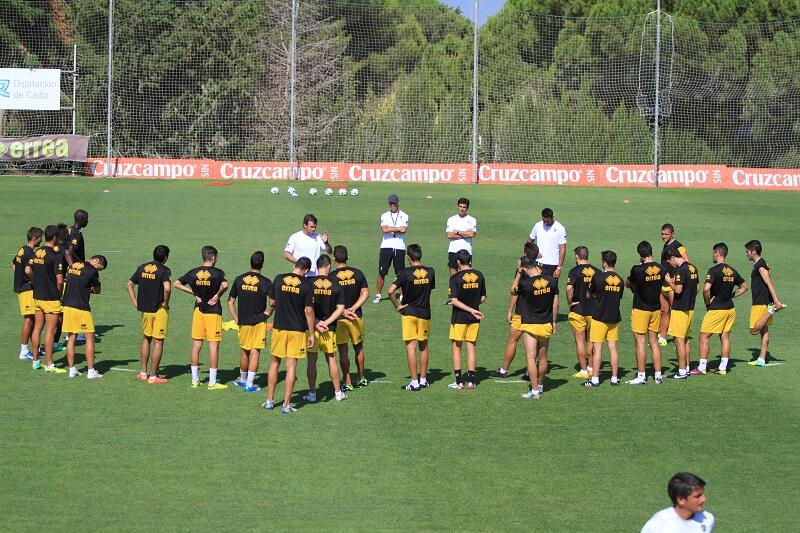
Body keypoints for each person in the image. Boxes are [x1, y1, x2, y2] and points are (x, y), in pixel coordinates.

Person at [262, 257, 315, 414]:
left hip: (279, 327)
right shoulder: (307, 285)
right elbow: (309, 311)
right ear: (306, 270)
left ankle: (269, 401)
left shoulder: (279, 279)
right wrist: (311, 333)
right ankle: (286, 404)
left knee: (274, 364)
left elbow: (271, 302)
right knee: (291, 366)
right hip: (297, 330)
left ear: (294, 265)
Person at [174, 245, 229, 390]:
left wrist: (192, 293)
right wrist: (217, 296)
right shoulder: (217, 272)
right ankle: (212, 382)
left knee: (196, 345)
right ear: (213, 258)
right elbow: (225, 285)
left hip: (198, 311)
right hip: (213, 312)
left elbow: (176, 284)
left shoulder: (193, 272)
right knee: (213, 347)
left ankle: (194, 380)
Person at [388, 244, 435, 391]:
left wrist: (397, 306)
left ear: (409, 258)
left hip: (409, 313)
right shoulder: (430, 272)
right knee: (424, 347)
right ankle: (423, 380)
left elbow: (390, 291)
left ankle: (414, 382)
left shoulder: (404, 273)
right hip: (425, 313)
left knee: (411, 348)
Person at [512, 255, 558, 399]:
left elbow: (513, 290)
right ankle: (541, 385)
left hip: (530, 324)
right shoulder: (551, 280)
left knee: (531, 358)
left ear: (524, 268)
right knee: (543, 357)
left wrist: (519, 274)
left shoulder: (526, 284)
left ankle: (535, 390)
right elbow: (556, 303)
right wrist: (554, 321)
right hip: (546, 323)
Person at [698, 243, 748, 375]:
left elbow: (706, 288)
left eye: (713, 253)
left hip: (717, 309)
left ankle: (702, 367)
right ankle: (723, 368)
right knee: (725, 336)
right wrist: (731, 295)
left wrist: (707, 303)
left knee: (704, 336)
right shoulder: (732, 271)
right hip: (730, 309)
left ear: (716, 253)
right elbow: (744, 287)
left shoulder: (713, 271)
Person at [492, 241, 539, 378]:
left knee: (512, 341)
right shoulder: (540, 270)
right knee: (534, 343)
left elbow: (514, 292)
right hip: (537, 313)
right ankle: (528, 371)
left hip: (521, 313)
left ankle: (503, 370)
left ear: (525, 254)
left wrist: (509, 311)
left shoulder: (522, 271)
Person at [304, 255, 348, 403]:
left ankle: (312, 393)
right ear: (328, 266)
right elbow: (340, 308)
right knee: (331, 359)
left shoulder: (309, 283)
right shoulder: (336, 285)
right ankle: (337, 393)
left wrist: (316, 323)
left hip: (312, 329)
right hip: (329, 329)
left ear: (317, 266)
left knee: (311, 361)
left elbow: (306, 308)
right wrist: (326, 323)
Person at [227, 251, 272, 393]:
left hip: (243, 321)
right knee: (255, 352)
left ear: (250, 262)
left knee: (244, 351)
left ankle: (242, 379)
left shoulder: (239, 279)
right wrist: (268, 313)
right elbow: (273, 302)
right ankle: (250, 384)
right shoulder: (265, 282)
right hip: (258, 321)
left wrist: (236, 318)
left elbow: (230, 301)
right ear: (262, 264)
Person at [127, 244, 172, 384]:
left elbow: (129, 285)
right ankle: (153, 377)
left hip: (145, 310)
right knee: (158, 342)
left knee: (146, 338)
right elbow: (167, 288)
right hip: (159, 311)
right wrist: (165, 302)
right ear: (165, 258)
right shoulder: (164, 270)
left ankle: (143, 373)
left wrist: (136, 302)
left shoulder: (142, 267)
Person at [626, 241, 665, 385]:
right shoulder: (661, 268)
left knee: (640, 342)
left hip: (641, 309)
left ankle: (641, 376)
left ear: (639, 254)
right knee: (654, 342)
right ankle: (658, 375)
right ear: (651, 251)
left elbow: (628, 283)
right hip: (655, 308)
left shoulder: (637, 269)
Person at [62, 255, 107, 379]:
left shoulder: (73, 265)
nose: (98, 270)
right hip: (81, 307)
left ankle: (72, 370)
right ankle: (91, 371)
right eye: (100, 268)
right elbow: (97, 290)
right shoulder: (92, 271)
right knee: (90, 337)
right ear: (96, 261)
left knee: (71, 337)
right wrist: (90, 289)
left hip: (67, 304)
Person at [331, 245, 370, 389]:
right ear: (348, 257)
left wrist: (344, 311)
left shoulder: (331, 277)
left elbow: (330, 301)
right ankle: (361, 377)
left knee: (343, 350)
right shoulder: (358, 273)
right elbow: (365, 293)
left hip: (340, 318)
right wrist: (354, 308)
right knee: (358, 347)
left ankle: (347, 382)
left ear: (334, 258)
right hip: (356, 316)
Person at [585, 251, 624, 387]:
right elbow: (618, 297)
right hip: (613, 318)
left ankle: (595, 379)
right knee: (613, 348)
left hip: (599, 318)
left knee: (597, 350)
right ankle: (614, 378)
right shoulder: (620, 280)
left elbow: (589, 294)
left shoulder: (598, 277)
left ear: (604, 263)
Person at [447, 250, 486, 390]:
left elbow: (454, 300)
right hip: (475, 318)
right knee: (471, 348)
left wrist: (468, 308)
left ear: (458, 262)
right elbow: (483, 298)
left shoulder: (455, 278)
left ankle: (458, 382)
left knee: (456, 347)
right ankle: (471, 381)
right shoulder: (479, 275)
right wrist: (474, 307)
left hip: (459, 318)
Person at [29, 225, 66, 373]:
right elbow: (59, 281)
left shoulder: (38, 252)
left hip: (37, 295)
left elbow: (28, 270)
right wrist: (59, 294)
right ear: (55, 238)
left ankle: (36, 361)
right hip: (50, 297)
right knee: (51, 330)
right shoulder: (55, 255)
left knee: (37, 328)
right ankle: (50, 364)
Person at [745, 240, 786, 367]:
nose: (746, 254)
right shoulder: (761, 264)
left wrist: (776, 300)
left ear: (753, 252)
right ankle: (761, 359)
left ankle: (772, 310)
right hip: (764, 301)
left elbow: (769, 282)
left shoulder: (760, 266)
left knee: (754, 329)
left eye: (747, 252)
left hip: (760, 302)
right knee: (764, 331)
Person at [664, 249, 700, 380]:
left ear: (673, 257)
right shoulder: (693, 268)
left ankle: (682, 371)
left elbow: (678, 290)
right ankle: (687, 368)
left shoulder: (681, 270)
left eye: (669, 261)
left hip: (680, 309)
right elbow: (697, 288)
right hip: (690, 308)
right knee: (685, 340)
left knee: (678, 340)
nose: (670, 264)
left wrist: (669, 282)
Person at [641, 472, 715, 532]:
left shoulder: (707, 519)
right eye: (697, 496)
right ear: (681, 500)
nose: (703, 499)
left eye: (702, 494)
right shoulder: (659, 526)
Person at [565, 246, 597, 379]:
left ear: (577, 256)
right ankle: (591, 367)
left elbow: (569, 289)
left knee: (580, 341)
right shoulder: (597, 271)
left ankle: (583, 370)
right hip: (594, 311)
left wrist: (570, 302)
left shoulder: (574, 271)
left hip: (578, 310)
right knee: (591, 341)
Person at [12, 227, 42, 360]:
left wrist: (19, 276)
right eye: (40, 237)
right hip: (27, 288)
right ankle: (23, 351)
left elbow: (13, 264)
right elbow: (28, 270)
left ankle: (35, 348)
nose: (42, 240)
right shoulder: (30, 253)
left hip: (22, 286)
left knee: (33, 319)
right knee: (29, 319)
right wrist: (35, 281)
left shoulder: (22, 249)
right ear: (35, 238)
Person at [659, 223, 690, 346]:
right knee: (664, 311)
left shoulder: (679, 246)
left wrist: (677, 276)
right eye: (662, 234)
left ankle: (681, 336)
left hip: (672, 284)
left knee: (676, 311)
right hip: (663, 284)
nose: (663, 236)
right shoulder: (666, 245)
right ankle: (663, 337)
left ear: (673, 234)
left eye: (666, 234)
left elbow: (687, 262)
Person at [374, 194, 408, 303]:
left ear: (398, 203)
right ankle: (378, 295)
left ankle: (403, 295)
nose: (392, 205)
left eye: (394, 203)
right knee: (381, 272)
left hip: (399, 247)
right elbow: (384, 229)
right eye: (391, 203)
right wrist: (397, 228)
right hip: (386, 246)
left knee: (400, 273)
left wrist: (391, 229)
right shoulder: (384, 215)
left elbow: (404, 230)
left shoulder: (404, 215)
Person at [528, 208, 566, 277]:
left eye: (548, 222)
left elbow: (562, 249)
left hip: (553, 265)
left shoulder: (560, 228)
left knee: (551, 287)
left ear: (552, 218)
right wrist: (530, 254)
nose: (545, 223)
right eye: (544, 221)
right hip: (538, 263)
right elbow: (530, 241)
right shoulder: (538, 226)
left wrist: (559, 268)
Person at [445, 197, 477, 277]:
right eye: (460, 206)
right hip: (453, 250)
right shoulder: (451, 219)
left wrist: (458, 232)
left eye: (464, 207)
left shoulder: (472, 220)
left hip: (466, 251)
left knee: (467, 275)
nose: (462, 209)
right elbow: (449, 235)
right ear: (457, 206)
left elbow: (472, 234)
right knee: (453, 274)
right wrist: (465, 234)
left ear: (467, 208)